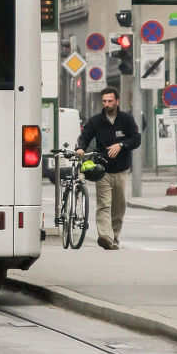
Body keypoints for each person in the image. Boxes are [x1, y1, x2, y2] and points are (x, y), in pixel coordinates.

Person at [76, 87, 141, 249]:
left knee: (119, 206)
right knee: (104, 204)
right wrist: (80, 148)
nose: (107, 104)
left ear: (117, 102)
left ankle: (114, 237)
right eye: (104, 101)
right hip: (102, 169)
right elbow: (84, 136)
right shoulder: (96, 121)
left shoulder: (126, 119)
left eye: (110, 101)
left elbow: (136, 139)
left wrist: (121, 144)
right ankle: (105, 236)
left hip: (121, 169)